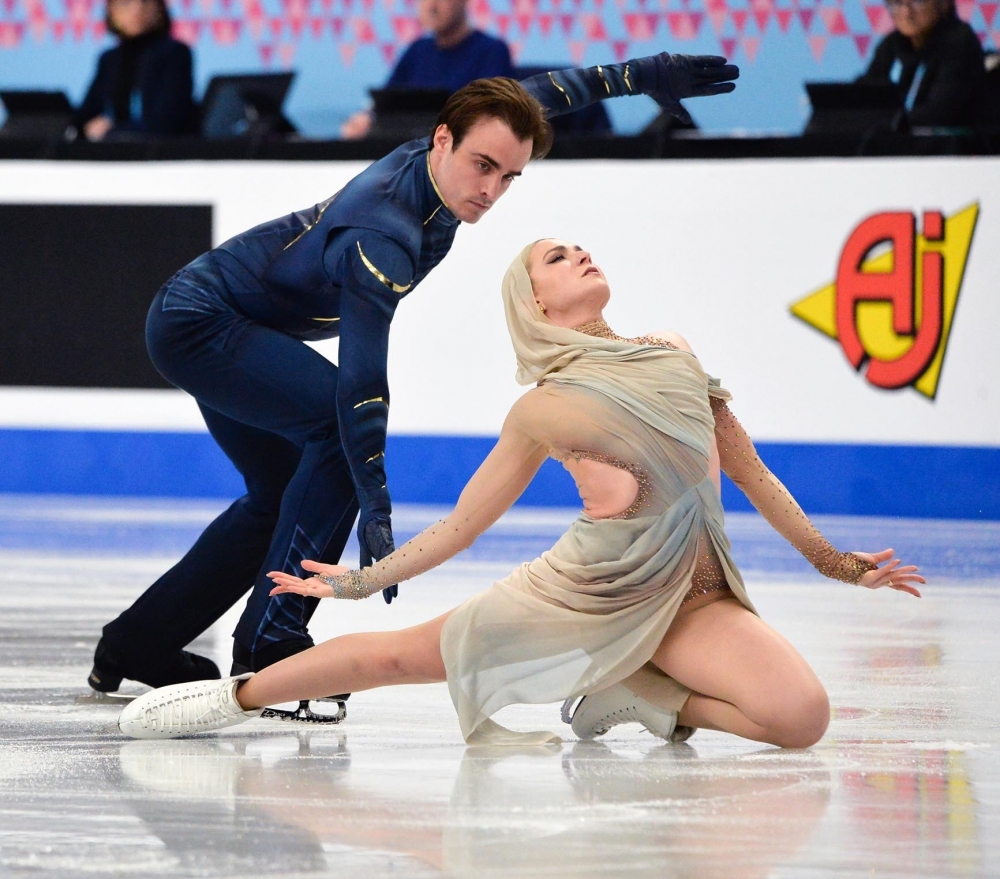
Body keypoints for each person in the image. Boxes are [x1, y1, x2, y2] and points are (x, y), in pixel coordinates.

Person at [89, 58, 741, 708]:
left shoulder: (459, 147)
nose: (491, 190)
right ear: (441, 141)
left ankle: (138, 642)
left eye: (509, 176)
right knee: (333, 434)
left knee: (278, 494)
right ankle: (269, 644)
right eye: (483, 167)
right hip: (200, 322)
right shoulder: (385, 237)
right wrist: (375, 499)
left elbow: (545, 95)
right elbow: (362, 377)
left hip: (229, 320)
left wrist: (643, 75)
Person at [117, 237, 924, 746]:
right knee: (403, 657)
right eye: (555, 257)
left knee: (801, 718)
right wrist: (361, 580)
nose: (579, 254)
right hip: (586, 590)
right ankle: (232, 696)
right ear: (537, 304)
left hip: (692, 598)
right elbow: (466, 525)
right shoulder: (542, 408)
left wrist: (834, 562)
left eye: (578, 247)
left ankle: (644, 695)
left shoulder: (673, 352)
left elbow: (748, 469)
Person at [340, 0, 514, 139]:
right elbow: (385, 101)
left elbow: (491, 119)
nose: (431, 6)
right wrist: (366, 118)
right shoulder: (417, 50)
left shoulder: (492, 52)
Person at [75, 0, 198, 141]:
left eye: (145, 2)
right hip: (115, 155)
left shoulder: (175, 54)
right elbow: (85, 117)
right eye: (126, 3)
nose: (137, 10)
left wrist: (113, 130)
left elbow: (166, 123)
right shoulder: (109, 60)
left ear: (159, 8)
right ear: (111, 10)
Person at [857, 0, 984, 127]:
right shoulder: (892, 43)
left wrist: (891, 124)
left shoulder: (959, 42)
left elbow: (940, 112)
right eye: (896, 4)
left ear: (944, 4)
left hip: (947, 144)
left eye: (917, 2)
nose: (906, 13)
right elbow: (865, 97)